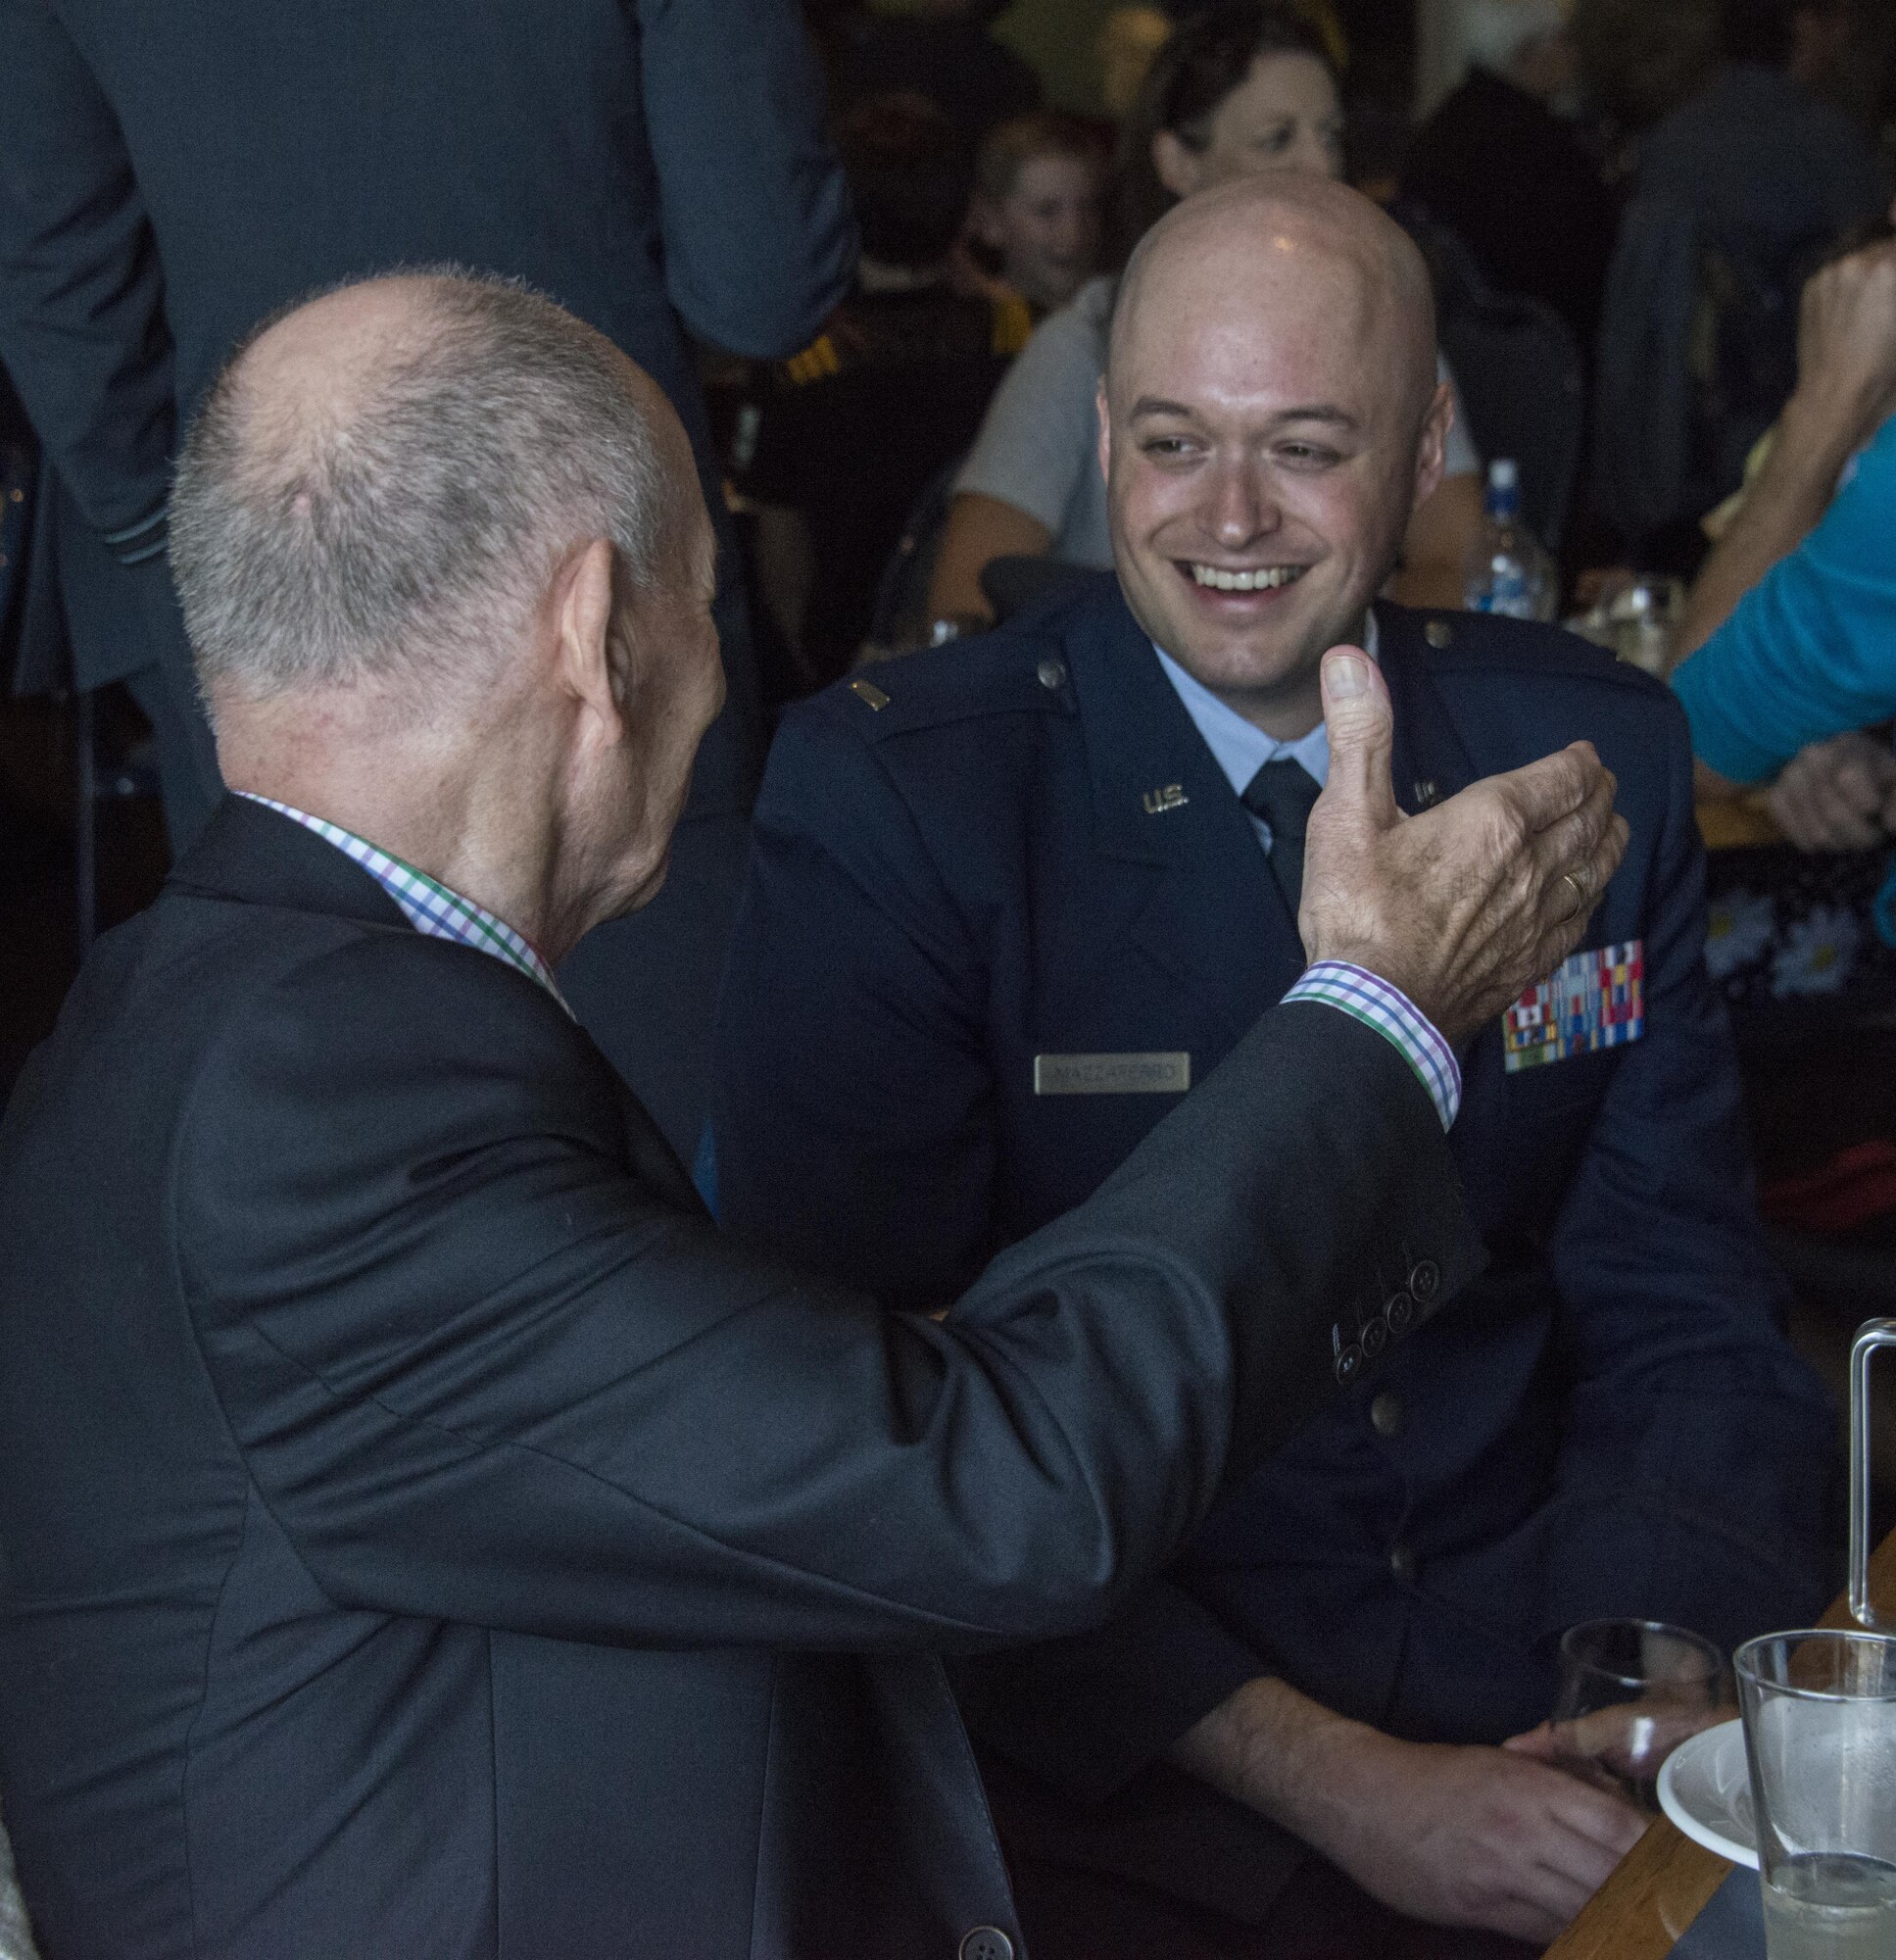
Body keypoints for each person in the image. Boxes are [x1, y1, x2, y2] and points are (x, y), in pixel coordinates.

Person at [0, 270, 1627, 1960]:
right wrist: (1382, 1011)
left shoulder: (226, 1016)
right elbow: (1005, 1488)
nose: (720, 674)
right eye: (713, 604)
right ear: (594, 631)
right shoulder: (317, 1103)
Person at [708, 176, 1834, 1957]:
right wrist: (1341, 1785)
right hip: (1129, 1764)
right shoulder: (906, 805)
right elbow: (868, 1438)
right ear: (1097, 436)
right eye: (1171, 444)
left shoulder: (1579, 759)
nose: (1229, 519)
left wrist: (1644, 1682)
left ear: (1427, 445)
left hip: (1546, 1672)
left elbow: (1680, 1301)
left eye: (1306, 448)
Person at [0, 0, 854, 1159]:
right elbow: (761, 284)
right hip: (590, 540)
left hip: (258, 588)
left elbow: (58, 293)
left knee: (319, 1131)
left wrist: (194, 552)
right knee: (673, 1139)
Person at [924, 0, 1485, 636]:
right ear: (1177, 164)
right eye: (1277, 139)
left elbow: (1455, 560)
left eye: (1328, 134)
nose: (1321, 168)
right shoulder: (1081, 347)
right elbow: (964, 600)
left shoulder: (1385, 333)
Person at [713, 93, 1020, 690]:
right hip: (989, 652)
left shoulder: (795, 366)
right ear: (963, 212)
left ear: (833, 211)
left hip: (844, 665)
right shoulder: (1024, 340)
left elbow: (781, 546)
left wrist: (805, 669)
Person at [1590, 0, 1887, 565]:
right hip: (1779, 449)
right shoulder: (1833, 145)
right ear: (1805, 26)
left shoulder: (1667, 141)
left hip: (1655, 447)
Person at [1401, 0, 1621, 356]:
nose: (1573, 53)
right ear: (1527, 50)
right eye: (1561, 40)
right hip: (1537, 353)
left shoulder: (1445, 125)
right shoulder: (1546, 147)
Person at [967, 111, 1107, 318]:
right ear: (990, 221)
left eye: (1088, 207)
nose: (1074, 234)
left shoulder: (1121, 316)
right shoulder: (973, 331)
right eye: (1047, 211)